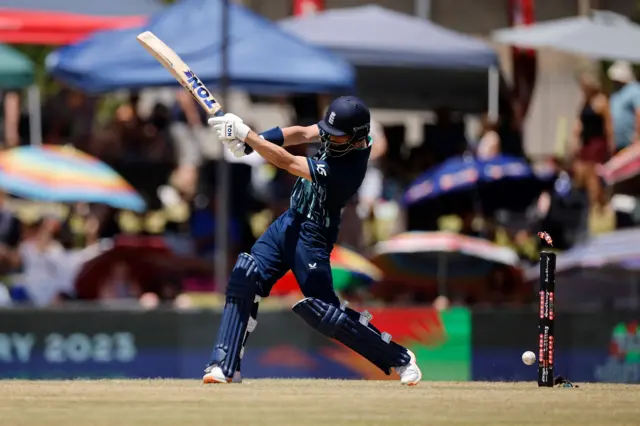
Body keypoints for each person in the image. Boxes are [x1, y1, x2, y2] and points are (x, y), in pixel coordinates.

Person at [202, 96, 421, 386]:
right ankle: (225, 366)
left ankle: (398, 357)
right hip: (289, 222)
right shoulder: (340, 132)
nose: (328, 139)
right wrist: (250, 142)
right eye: (328, 133)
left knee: (325, 312)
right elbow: (301, 133)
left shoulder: (348, 170)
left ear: (356, 137)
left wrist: (247, 136)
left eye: (336, 137)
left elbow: (288, 161)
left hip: (313, 236)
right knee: (246, 277)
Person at [608, 61, 640, 154]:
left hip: (630, 142)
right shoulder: (616, 93)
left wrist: (637, 136)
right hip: (618, 142)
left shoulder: (634, 90)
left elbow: (638, 112)